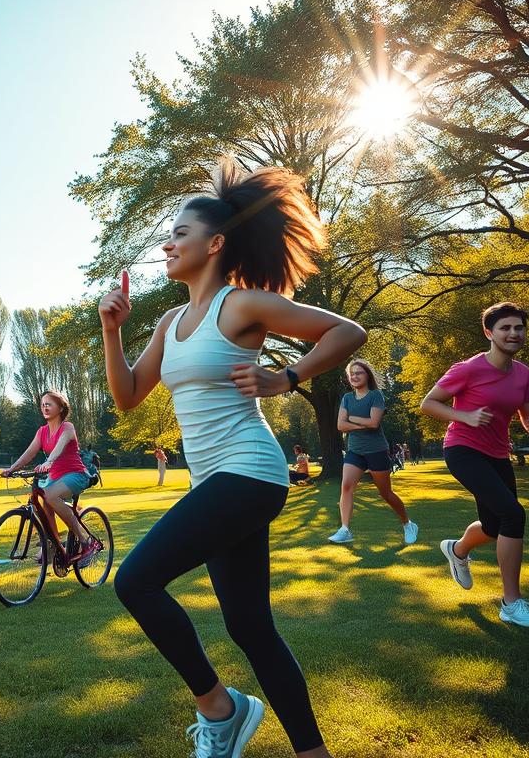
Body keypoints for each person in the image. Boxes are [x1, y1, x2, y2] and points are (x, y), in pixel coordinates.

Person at [100, 162, 363, 758]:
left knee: (136, 580)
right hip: (218, 480)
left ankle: (220, 709)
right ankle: (311, 751)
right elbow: (127, 397)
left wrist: (287, 377)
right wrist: (113, 331)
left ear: (214, 244)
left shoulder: (239, 305)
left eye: (180, 234)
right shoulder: (170, 322)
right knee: (249, 627)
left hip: (249, 470)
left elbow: (347, 331)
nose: (167, 244)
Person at [420, 301, 529, 629]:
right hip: (463, 449)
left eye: (519, 327)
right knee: (513, 514)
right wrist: (465, 416)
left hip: (497, 453)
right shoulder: (468, 369)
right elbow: (429, 403)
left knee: (493, 527)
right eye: (505, 328)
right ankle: (511, 603)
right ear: (489, 333)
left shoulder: (523, 374)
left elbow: (528, 411)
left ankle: (457, 550)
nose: (513, 333)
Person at [2, 390, 102, 566]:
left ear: (61, 408)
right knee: (44, 501)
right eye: (42, 404)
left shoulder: (67, 427)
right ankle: (53, 544)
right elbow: (29, 453)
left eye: (49, 404)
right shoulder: (42, 432)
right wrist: (12, 468)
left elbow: (59, 446)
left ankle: (86, 542)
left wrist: (49, 461)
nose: (44, 407)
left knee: (50, 495)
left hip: (76, 474)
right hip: (55, 478)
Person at [328, 360, 418, 546]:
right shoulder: (347, 398)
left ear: (367, 375)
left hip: (376, 450)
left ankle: (408, 524)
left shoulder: (376, 395)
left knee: (385, 493)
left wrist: (351, 419)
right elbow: (339, 425)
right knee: (346, 486)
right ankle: (345, 529)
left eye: (359, 373)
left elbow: (374, 423)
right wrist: (360, 422)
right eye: (351, 373)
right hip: (355, 451)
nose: (354, 376)